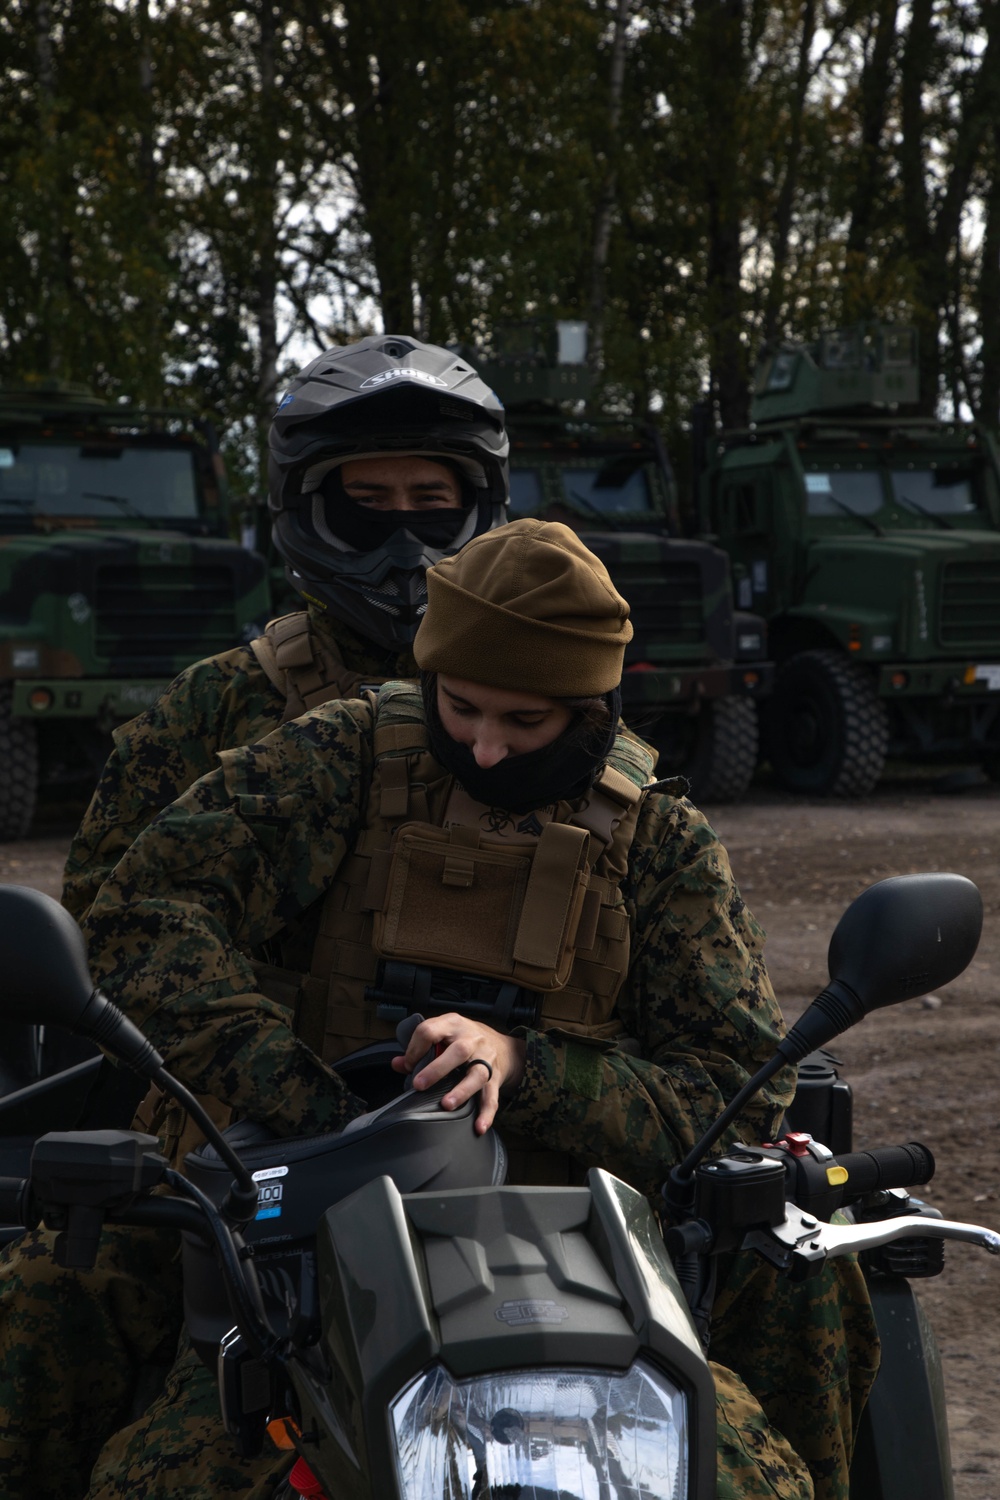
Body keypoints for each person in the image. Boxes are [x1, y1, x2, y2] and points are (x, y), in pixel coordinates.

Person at [68, 520, 872, 1499]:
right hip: (302, 1245)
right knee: (89, 1370)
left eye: (524, 722)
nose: (484, 747)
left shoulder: (660, 843)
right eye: (461, 707)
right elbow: (140, 915)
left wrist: (524, 1068)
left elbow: (729, 1096)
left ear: (590, 708)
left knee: (753, 1458)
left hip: (578, 1260)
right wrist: (314, 1105)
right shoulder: (339, 759)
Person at [0, 334, 511, 1500]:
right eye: (364, 507)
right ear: (304, 512)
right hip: (251, 1165)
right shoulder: (213, 713)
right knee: (44, 1322)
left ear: (482, 509)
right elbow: (108, 958)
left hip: (513, 1155)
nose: (402, 542)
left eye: (433, 508)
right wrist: (284, 1091)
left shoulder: (556, 712)